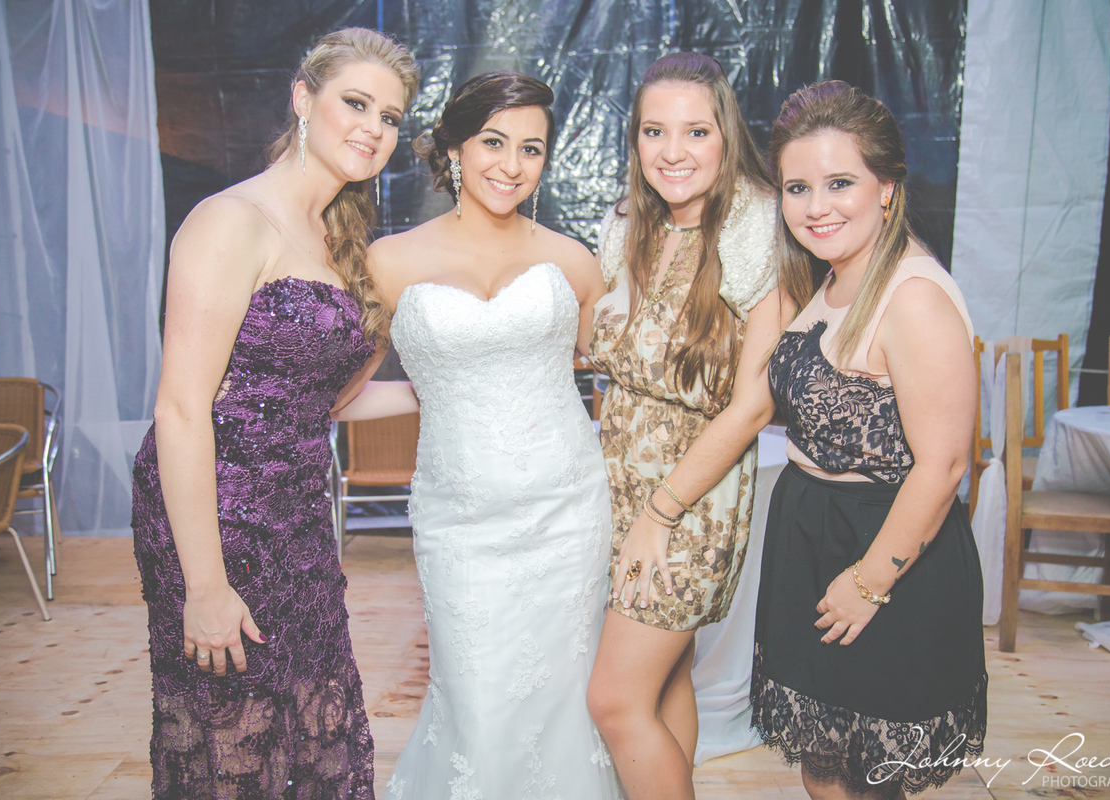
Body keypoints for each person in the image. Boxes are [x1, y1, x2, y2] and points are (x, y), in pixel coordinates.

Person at [131, 28, 418, 799]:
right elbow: (181, 409)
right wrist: (204, 586)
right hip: (216, 515)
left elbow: (319, 404)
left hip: (297, 518)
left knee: (311, 724)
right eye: (356, 103)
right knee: (236, 737)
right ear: (302, 98)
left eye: (390, 117)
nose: (373, 128)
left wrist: (449, 390)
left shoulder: (334, 239)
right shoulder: (231, 221)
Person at [352, 72, 623, 799]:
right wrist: (434, 390)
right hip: (460, 520)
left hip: (569, 512)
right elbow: (341, 394)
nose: (511, 164)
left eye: (531, 149)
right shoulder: (390, 262)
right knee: (476, 697)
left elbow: (624, 379)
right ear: (455, 149)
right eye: (494, 143)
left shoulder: (573, 260)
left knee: (567, 696)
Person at [749, 80, 987, 799]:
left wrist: (868, 583)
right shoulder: (827, 279)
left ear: (887, 187)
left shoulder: (912, 295)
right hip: (810, 537)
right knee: (824, 773)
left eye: (840, 183)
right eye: (798, 188)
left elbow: (944, 464)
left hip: (882, 552)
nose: (816, 207)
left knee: (865, 782)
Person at [585, 52, 788, 800]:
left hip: (689, 500)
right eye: (654, 131)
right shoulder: (628, 228)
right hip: (619, 489)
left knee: (614, 700)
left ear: (727, 135)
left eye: (696, 131)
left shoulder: (757, 230)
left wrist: (660, 513)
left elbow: (753, 405)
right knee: (665, 682)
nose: (673, 151)